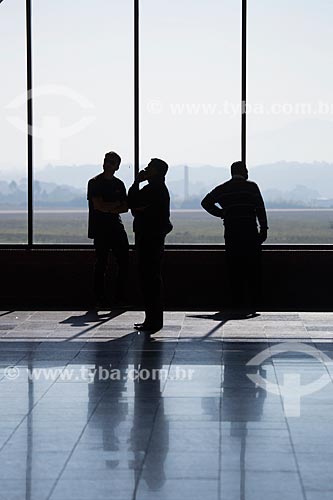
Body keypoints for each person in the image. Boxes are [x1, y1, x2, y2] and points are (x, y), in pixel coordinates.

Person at [201, 161, 268, 311]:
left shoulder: (223, 188)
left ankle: (237, 301)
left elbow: (205, 202)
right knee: (253, 268)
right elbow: (260, 209)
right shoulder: (252, 187)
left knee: (234, 268)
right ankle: (255, 302)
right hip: (250, 232)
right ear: (243, 171)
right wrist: (263, 229)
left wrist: (222, 213)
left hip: (232, 233)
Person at [128, 158, 172, 332]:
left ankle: (152, 320)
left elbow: (133, 203)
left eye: (150, 167)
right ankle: (152, 319)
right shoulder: (158, 189)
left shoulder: (153, 189)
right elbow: (136, 206)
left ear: (157, 171)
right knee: (151, 279)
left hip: (148, 239)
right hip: (153, 238)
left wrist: (136, 183)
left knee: (149, 279)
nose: (146, 168)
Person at [87, 151, 129, 307]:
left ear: (117, 166)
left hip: (115, 227)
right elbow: (98, 205)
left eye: (111, 162)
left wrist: (108, 207)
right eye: (106, 160)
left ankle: (120, 298)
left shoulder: (119, 184)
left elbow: (125, 207)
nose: (107, 164)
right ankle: (100, 299)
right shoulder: (94, 182)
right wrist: (115, 206)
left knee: (124, 261)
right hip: (100, 228)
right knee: (101, 263)